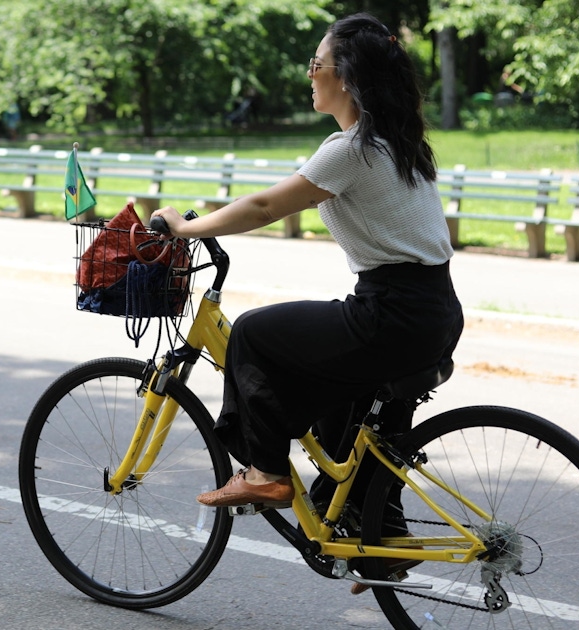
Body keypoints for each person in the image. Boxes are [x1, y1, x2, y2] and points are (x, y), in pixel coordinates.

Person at [151, 13, 463, 592]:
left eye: (315, 64)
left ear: (344, 76)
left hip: (391, 311)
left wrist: (183, 229)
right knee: (353, 418)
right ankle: (382, 540)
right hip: (432, 311)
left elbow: (267, 206)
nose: (309, 75)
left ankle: (266, 471)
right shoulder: (395, 142)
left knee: (253, 333)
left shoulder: (354, 147)